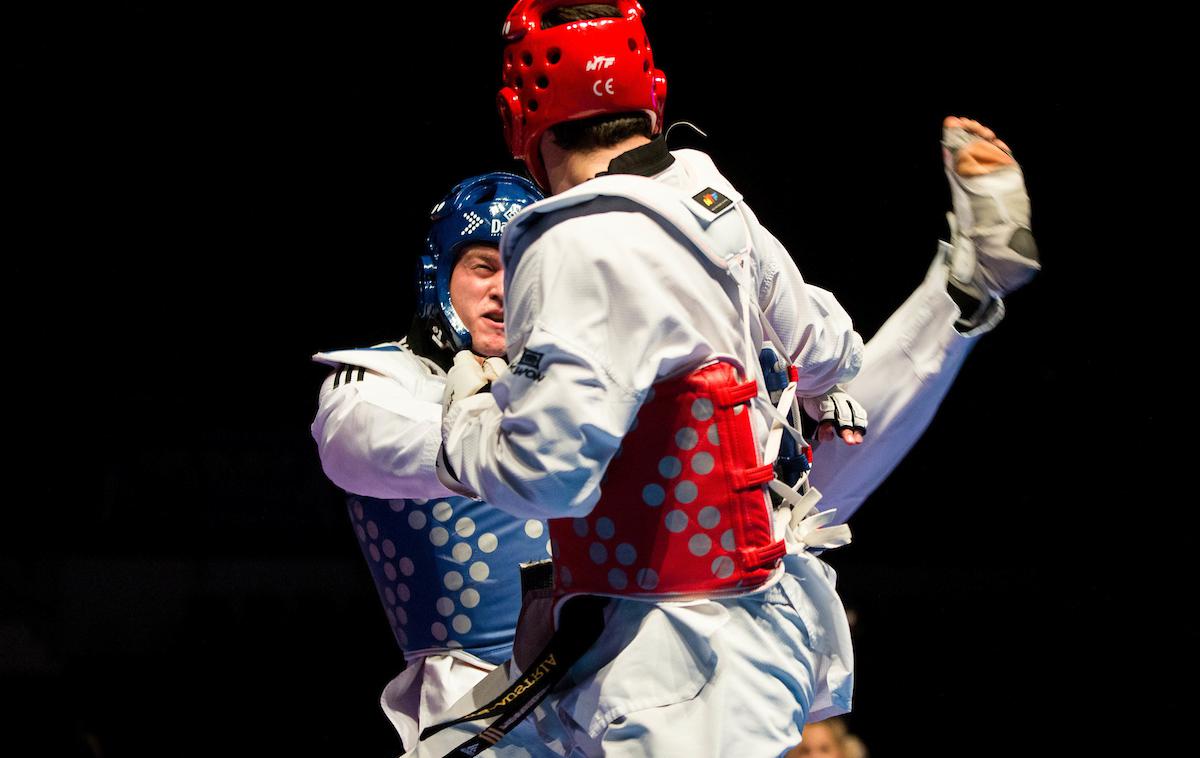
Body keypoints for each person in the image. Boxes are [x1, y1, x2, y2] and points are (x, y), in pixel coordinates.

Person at [422, 2, 1037, 757]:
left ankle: (967, 291)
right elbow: (835, 352)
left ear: (518, 117)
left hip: (676, 657)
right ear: (652, 93)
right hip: (757, 630)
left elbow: (547, 476)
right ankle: (965, 291)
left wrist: (468, 414)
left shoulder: (570, 238)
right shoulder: (713, 197)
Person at [310, 172, 552, 752]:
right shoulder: (377, 382)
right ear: (438, 277)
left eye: (521, 270)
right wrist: (493, 434)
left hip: (605, 683)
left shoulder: (574, 383)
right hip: (475, 706)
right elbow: (350, 449)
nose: (502, 290)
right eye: (483, 267)